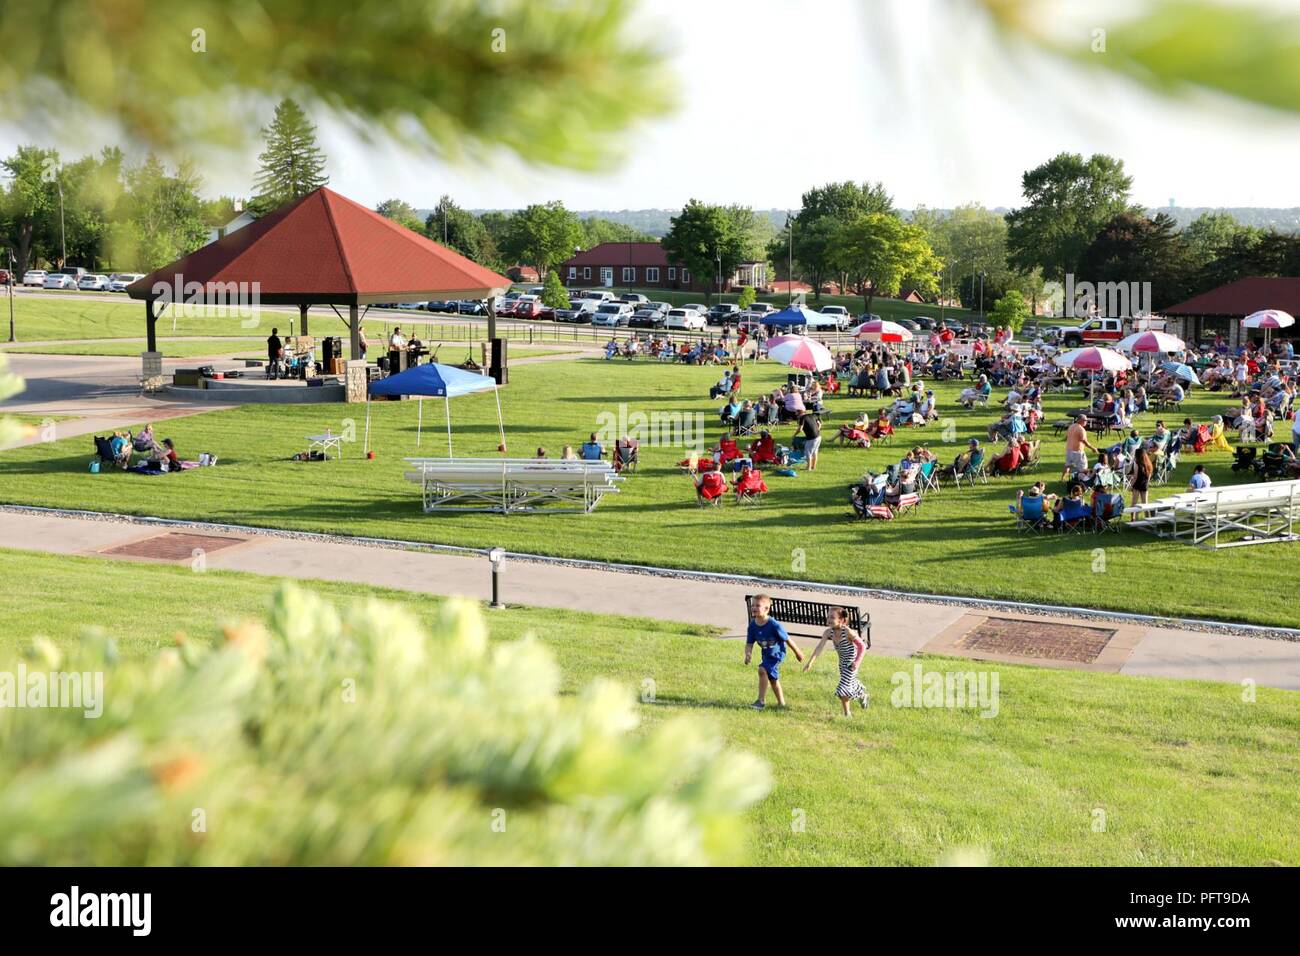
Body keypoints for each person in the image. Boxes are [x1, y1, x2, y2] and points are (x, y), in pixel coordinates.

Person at [802, 607, 868, 716]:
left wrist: (856, 663)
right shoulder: (828, 632)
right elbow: (819, 647)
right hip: (842, 663)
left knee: (843, 688)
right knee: (850, 684)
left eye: (832, 617)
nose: (828, 619)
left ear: (841, 620)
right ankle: (862, 696)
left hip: (851, 664)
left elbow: (862, 646)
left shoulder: (847, 632)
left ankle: (847, 714)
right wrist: (810, 663)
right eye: (828, 617)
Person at [744, 594, 804, 710]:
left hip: (777, 654)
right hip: (766, 655)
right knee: (773, 679)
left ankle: (760, 701)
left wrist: (798, 652)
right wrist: (748, 654)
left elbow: (787, 639)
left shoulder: (773, 625)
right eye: (752, 605)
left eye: (758, 605)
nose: (754, 608)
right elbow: (749, 643)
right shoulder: (752, 626)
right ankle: (781, 704)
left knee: (762, 670)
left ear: (766, 609)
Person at [1064, 414, 1097, 479]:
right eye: (1085, 420)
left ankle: (1062, 479)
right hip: (1078, 451)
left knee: (1067, 466)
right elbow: (1084, 441)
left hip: (1069, 450)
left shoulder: (1071, 426)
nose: (1086, 422)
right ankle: (1087, 478)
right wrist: (1092, 448)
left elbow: (1067, 436)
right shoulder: (1081, 429)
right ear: (1080, 420)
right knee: (1083, 468)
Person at [1131, 440, 1154, 506]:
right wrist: (1147, 483)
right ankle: (1148, 516)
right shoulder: (1149, 464)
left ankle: (1133, 516)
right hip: (1145, 484)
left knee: (1134, 503)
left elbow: (1135, 477)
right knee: (1145, 503)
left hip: (1137, 484)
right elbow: (1149, 476)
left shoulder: (1137, 464)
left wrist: (1131, 485)